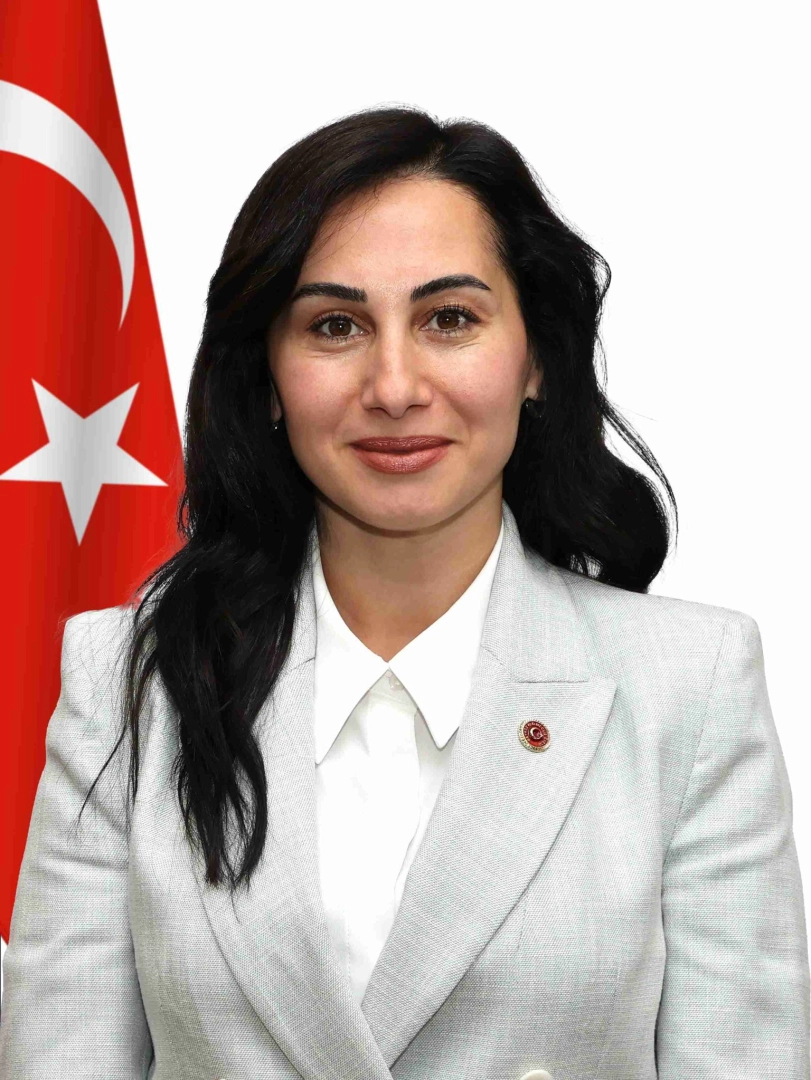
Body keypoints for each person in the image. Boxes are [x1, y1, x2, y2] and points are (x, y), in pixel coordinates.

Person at [0, 105, 808, 1080]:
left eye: (449, 319)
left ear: (536, 358)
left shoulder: (691, 687)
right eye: (335, 326)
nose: (393, 386)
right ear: (266, 377)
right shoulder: (128, 679)